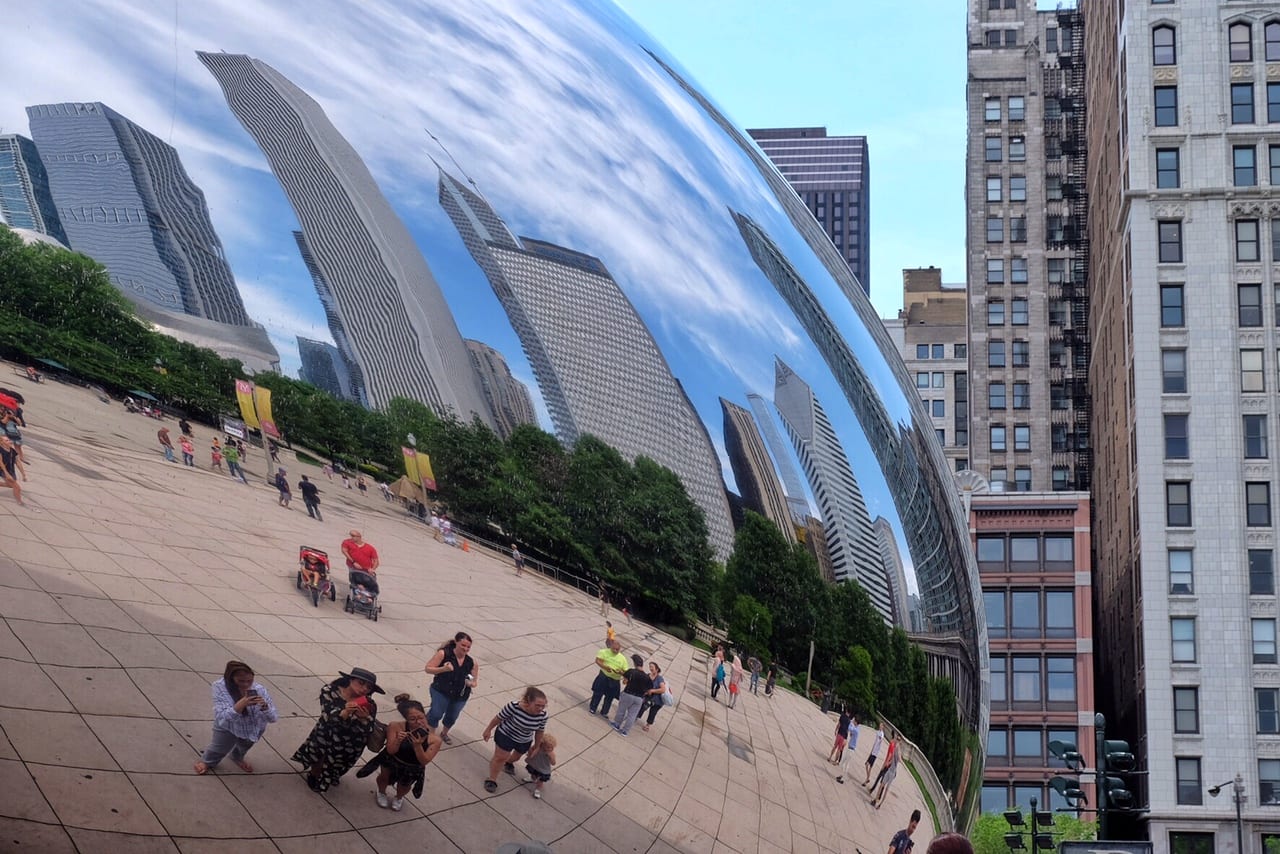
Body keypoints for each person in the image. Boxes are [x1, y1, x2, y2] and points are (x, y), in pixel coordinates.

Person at [291, 667, 383, 792]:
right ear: (350, 680)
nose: (364, 689)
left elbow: (369, 729)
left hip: (351, 743)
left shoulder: (369, 703)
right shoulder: (330, 691)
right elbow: (327, 717)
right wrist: (345, 712)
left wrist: (364, 718)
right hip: (327, 735)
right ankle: (314, 776)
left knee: (340, 765)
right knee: (319, 758)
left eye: (368, 687)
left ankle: (331, 776)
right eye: (361, 683)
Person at [355, 692, 442, 810]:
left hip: (413, 766)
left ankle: (399, 797)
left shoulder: (434, 740)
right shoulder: (396, 726)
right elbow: (390, 750)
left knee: (405, 786)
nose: (418, 722)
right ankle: (381, 792)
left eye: (421, 717)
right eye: (412, 719)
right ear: (406, 719)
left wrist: (418, 746)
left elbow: (424, 760)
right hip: (393, 759)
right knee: (384, 778)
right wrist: (398, 740)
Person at [194, 660, 278, 775]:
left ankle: (237, 757)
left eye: (250, 680)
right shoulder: (219, 687)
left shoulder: (260, 689)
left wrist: (264, 706)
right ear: (231, 678)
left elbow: (273, 718)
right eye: (241, 681)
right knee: (219, 747)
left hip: (253, 727)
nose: (246, 684)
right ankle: (208, 761)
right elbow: (223, 717)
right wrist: (241, 704)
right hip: (228, 726)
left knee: (244, 745)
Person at [482, 686, 548, 793]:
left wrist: (536, 747)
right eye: (537, 705)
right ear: (529, 701)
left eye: (543, 706)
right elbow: (499, 718)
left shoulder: (543, 716)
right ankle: (492, 779)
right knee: (500, 757)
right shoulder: (514, 706)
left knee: (515, 758)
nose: (540, 709)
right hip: (506, 734)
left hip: (524, 739)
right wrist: (488, 730)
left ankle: (508, 762)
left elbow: (540, 731)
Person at [425, 632, 479, 744]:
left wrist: (471, 683)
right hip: (441, 690)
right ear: (456, 642)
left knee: (452, 717)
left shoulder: (471, 662)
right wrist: (443, 669)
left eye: (468, 647)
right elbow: (428, 668)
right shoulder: (444, 654)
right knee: (436, 713)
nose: (466, 649)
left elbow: (474, 681)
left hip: (460, 696)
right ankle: (430, 736)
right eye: (463, 645)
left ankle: (444, 733)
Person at [611, 654, 652, 737]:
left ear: (634, 663)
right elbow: (649, 690)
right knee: (632, 715)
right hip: (639, 698)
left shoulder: (631, 672)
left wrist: (623, 675)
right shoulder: (647, 677)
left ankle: (617, 724)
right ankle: (625, 731)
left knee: (621, 710)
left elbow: (625, 681)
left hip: (628, 694)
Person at [588, 638, 626, 716]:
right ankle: (593, 707)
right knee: (598, 693)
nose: (615, 651)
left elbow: (626, 671)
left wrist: (621, 672)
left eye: (617, 649)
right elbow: (598, 660)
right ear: (611, 646)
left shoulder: (622, 658)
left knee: (610, 697)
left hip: (615, 680)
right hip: (604, 676)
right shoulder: (604, 652)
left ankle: (604, 712)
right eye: (614, 649)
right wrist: (605, 667)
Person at [342, 529, 380, 596]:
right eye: (351, 535)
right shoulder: (347, 542)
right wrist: (353, 562)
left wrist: (372, 569)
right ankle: (356, 594)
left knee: (367, 582)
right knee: (355, 581)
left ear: (359, 537)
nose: (351, 537)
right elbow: (344, 551)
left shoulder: (370, 548)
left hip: (366, 570)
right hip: (353, 567)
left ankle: (366, 595)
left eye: (353, 536)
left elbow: (376, 561)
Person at [524, 733, 557, 799]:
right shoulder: (539, 748)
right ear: (543, 744)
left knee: (540, 781)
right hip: (535, 764)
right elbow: (534, 751)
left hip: (544, 769)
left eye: (552, 747)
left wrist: (551, 757)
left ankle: (538, 790)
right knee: (533, 773)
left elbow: (553, 763)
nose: (550, 749)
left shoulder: (551, 753)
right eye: (548, 747)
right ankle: (532, 779)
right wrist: (530, 756)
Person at [637, 661, 667, 732]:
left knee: (653, 712)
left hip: (658, 700)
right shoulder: (648, 676)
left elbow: (663, 689)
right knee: (642, 706)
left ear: (657, 669)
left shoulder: (659, 678)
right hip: (649, 697)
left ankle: (648, 725)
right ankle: (636, 716)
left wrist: (652, 691)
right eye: (650, 666)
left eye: (652, 667)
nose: (650, 668)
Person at [871, 740, 900, 809]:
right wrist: (887, 763)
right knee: (881, 785)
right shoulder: (894, 750)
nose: (897, 742)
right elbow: (891, 759)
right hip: (889, 770)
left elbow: (899, 760)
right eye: (897, 740)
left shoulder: (899, 751)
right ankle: (875, 799)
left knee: (886, 789)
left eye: (898, 741)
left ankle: (880, 804)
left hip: (892, 773)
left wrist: (898, 754)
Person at [0, 435, 25, 506]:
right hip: (3, 469)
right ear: (1, 442)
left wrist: (23, 474)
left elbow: (18, 462)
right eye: (6, 440)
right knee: (17, 487)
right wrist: (6, 474)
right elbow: (0, 462)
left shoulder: (12, 451)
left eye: (9, 440)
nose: (10, 441)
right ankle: (19, 501)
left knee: (10, 485)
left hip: (9, 469)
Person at [836, 714, 861, 783]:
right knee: (844, 762)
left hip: (851, 749)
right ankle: (842, 775)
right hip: (851, 748)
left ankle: (843, 778)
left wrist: (850, 722)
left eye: (854, 720)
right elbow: (851, 732)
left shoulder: (856, 730)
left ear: (856, 721)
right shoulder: (857, 728)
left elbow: (849, 728)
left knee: (845, 763)